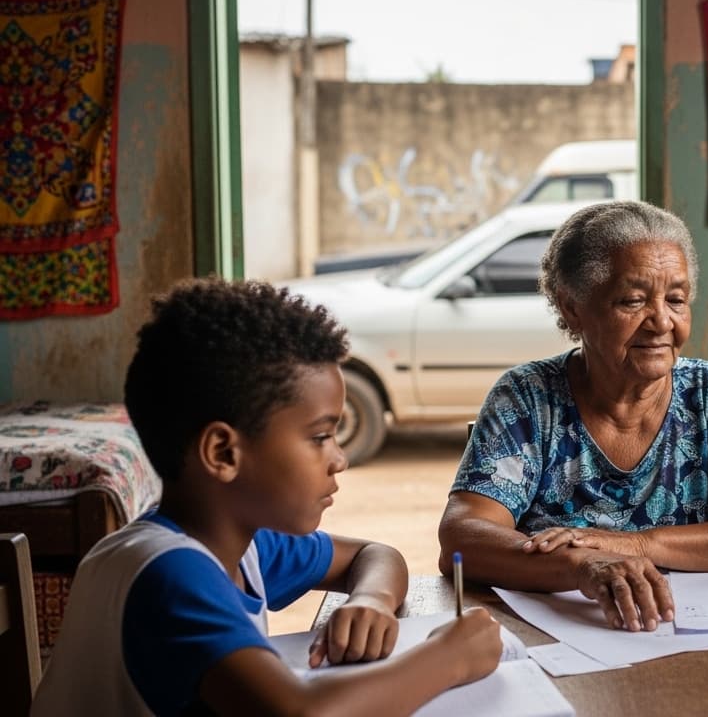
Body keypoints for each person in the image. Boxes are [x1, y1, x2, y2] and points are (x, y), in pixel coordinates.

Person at [32, 279, 503, 717]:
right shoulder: (169, 573)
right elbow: (299, 713)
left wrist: (372, 600)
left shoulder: (241, 542)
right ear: (223, 453)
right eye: (320, 437)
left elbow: (375, 554)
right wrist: (449, 659)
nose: (339, 460)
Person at [439, 200, 708, 632]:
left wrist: (637, 545)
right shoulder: (528, 398)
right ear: (572, 306)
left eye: (676, 299)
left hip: (686, 633)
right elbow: (462, 537)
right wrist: (581, 564)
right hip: (568, 634)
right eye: (633, 300)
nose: (661, 322)